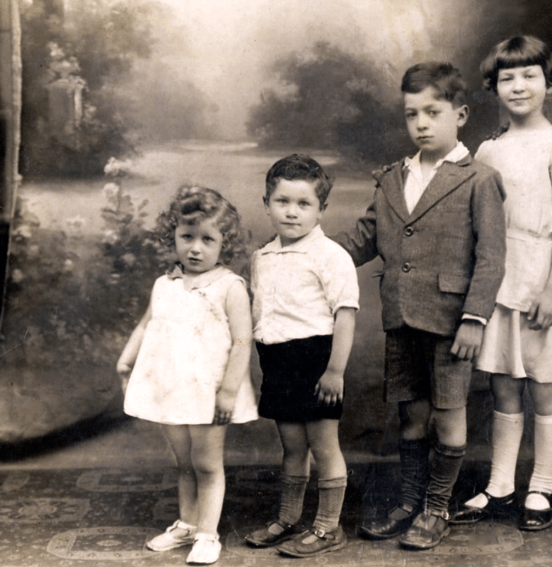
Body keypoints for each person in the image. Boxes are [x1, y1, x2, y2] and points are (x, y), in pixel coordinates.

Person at [336, 61, 506, 550]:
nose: (422, 124)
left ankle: (436, 507)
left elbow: (492, 258)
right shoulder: (392, 178)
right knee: (412, 416)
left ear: (461, 114)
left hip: (453, 322)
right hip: (402, 319)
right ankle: (410, 500)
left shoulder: (479, 179)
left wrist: (475, 318)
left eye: (433, 111)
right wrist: (306, 251)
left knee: (449, 415)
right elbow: (363, 239)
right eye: (412, 114)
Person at [450, 35, 552, 532]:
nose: (519, 86)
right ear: (493, 87)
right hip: (499, 276)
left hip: (540, 275)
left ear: (549, 83)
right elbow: (478, 223)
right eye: (507, 77)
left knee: (545, 387)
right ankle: (501, 485)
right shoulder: (488, 150)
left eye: (530, 75)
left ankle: (542, 487)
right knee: (504, 386)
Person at [117, 185, 258, 565]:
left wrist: (228, 391)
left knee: (207, 464)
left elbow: (243, 342)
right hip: (173, 388)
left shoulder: (229, 287)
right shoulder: (166, 284)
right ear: (173, 237)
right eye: (186, 237)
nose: (195, 248)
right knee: (184, 463)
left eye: (207, 239)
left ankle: (208, 535)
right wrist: (126, 360)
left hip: (211, 391)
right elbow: (147, 325)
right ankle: (187, 524)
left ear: (224, 244)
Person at [244, 154, 359, 558]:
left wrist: (335, 371)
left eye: (303, 204)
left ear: (321, 209)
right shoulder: (262, 256)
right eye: (282, 202)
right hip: (277, 359)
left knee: (323, 445)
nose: (292, 212)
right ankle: (289, 518)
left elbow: (345, 316)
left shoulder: (331, 256)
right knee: (292, 445)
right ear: (266, 203)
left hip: (316, 360)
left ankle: (328, 527)